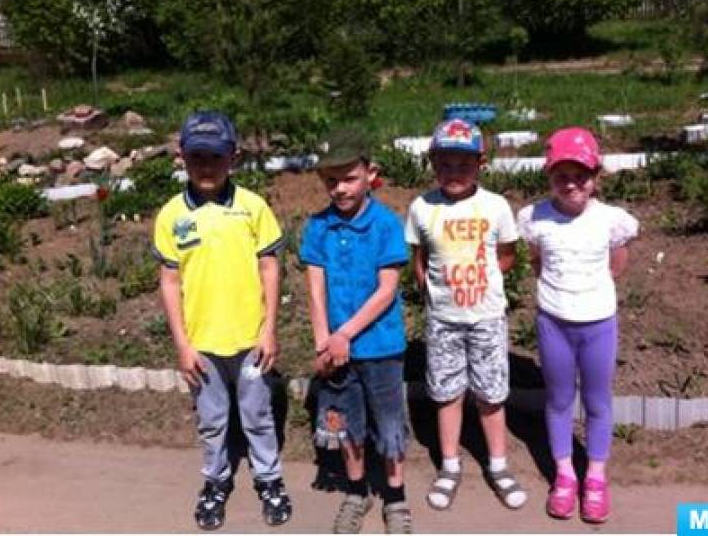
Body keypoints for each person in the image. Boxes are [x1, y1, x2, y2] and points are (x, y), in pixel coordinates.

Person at [153, 111, 292, 530]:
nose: (207, 166)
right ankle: (215, 481)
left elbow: (269, 267)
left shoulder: (252, 208)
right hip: (202, 346)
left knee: (258, 416)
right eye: (197, 157)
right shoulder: (172, 215)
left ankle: (269, 479)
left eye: (216, 156)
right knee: (212, 421)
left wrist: (269, 329)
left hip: (250, 340)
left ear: (233, 157)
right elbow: (170, 281)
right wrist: (182, 344)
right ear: (182, 157)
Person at [404, 118, 528, 512]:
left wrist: (478, 283)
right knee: (447, 393)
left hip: (486, 316)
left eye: (463, 164)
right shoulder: (422, 207)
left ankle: (498, 465)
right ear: (432, 164)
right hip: (443, 320)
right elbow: (419, 258)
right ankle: (450, 465)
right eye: (444, 164)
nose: (453, 172)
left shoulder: (495, 206)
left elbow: (506, 255)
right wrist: (434, 291)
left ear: (480, 163)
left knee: (491, 394)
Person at [517, 127, 638, 524]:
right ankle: (565, 474)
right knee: (558, 400)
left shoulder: (611, 220)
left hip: (598, 323)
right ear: (549, 176)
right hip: (554, 323)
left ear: (595, 177)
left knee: (598, 401)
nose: (571, 184)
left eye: (580, 175)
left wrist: (590, 295)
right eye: (561, 176)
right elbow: (537, 262)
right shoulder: (535, 218)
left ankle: (596, 477)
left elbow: (617, 264)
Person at [299, 128, 412, 534]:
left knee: (389, 424)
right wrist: (323, 343)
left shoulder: (386, 224)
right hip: (336, 350)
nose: (340, 188)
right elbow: (315, 290)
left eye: (349, 178)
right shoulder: (318, 227)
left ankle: (396, 498)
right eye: (331, 180)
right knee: (346, 422)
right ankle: (356, 491)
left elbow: (386, 291)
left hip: (380, 347)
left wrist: (344, 333)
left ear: (370, 174)